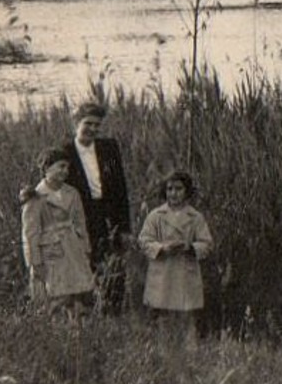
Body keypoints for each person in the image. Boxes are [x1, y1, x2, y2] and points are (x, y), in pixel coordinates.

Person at [65, 100, 131, 311]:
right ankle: (89, 310)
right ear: (76, 123)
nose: (92, 129)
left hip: (108, 213)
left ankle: (113, 311)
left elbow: (121, 189)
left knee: (114, 262)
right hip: (82, 215)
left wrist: (124, 227)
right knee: (87, 262)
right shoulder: (65, 151)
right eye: (88, 124)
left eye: (97, 125)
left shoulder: (108, 147)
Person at [137, 170, 213, 342]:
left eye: (178, 189)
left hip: (185, 270)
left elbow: (207, 243)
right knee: (162, 312)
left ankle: (189, 350)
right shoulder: (156, 216)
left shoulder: (195, 217)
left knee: (186, 313)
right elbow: (144, 240)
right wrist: (161, 248)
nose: (173, 193)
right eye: (170, 189)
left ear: (187, 191)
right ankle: (163, 349)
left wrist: (191, 247)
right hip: (164, 270)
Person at [20, 147, 95, 310]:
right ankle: (54, 329)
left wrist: (85, 248)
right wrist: (34, 262)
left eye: (67, 167)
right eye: (61, 166)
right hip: (50, 253)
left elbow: (80, 223)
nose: (65, 171)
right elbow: (30, 234)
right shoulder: (35, 197)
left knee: (77, 294)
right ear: (47, 168)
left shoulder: (72, 193)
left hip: (73, 249)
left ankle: (76, 327)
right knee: (54, 296)